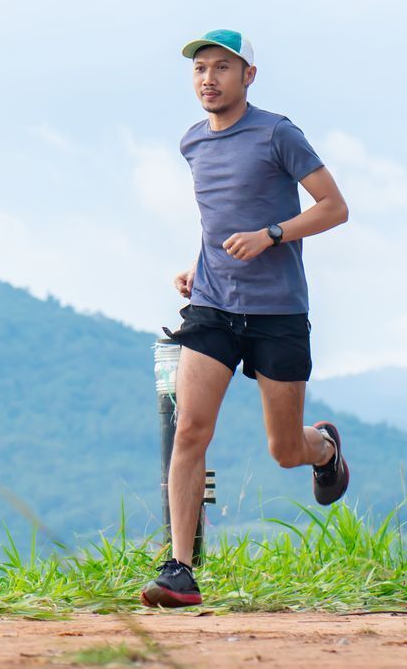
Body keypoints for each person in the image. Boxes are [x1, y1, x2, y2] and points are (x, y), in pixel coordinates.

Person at [140, 30, 351, 609]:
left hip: (277, 310)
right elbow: (219, 217)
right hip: (212, 306)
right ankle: (180, 569)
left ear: (248, 76)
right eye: (200, 69)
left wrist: (272, 235)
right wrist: (195, 264)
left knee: (284, 449)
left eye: (222, 68)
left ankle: (325, 450)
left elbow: (335, 207)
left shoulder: (278, 133)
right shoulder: (192, 143)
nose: (208, 79)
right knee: (190, 430)